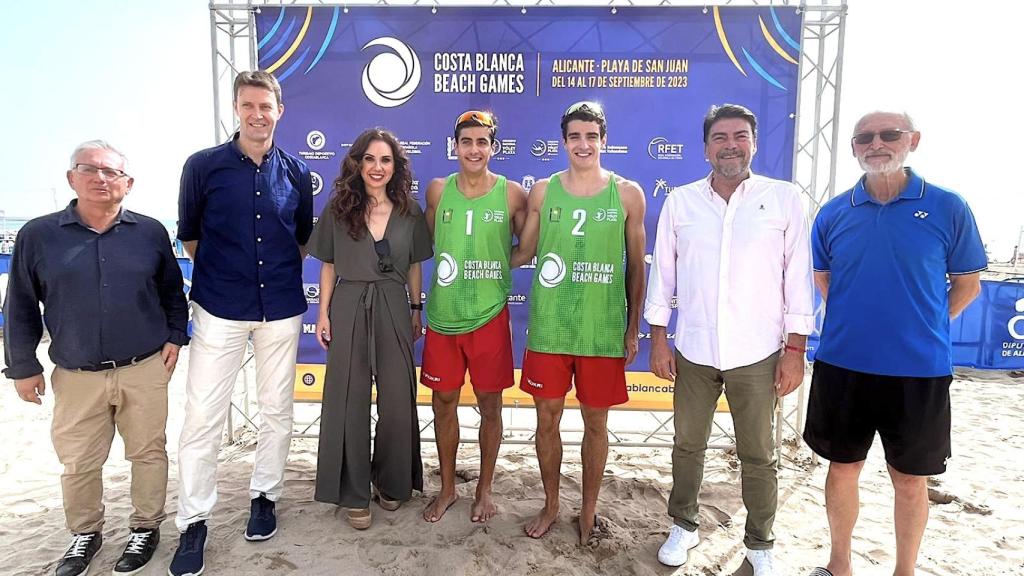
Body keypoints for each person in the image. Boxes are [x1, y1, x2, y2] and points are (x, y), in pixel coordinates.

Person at [804, 111, 986, 576]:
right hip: (843, 365)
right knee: (842, 469)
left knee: (909, 480)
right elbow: (825, 279)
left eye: (889, 134)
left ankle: (904, 570)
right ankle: (839, 564)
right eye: (864, 137)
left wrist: (921, 324)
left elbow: (966, 285)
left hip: (918, 370)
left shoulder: (948, 206)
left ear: (913, 141)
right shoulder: (833, 212)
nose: (876, 143)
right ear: (853, 147)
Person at [3, 140, 188, 576]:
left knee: (148, 452)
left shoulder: (150, 233)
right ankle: (85, 533)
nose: (101, 179)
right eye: (90, 170)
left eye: (112, 173)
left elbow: (171, 291)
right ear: (73, 178)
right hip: (75, 372)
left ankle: (146, 526)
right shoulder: (38, 235)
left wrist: (176, 336)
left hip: (144, 367)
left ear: (128, 183)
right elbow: (21, 304)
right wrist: (23, 366)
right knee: (79, 461)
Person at [645, 104, 814, 575]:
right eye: (720, 138)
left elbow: (797, 279)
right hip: (693, 349)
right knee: (687, 446)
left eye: (740, 136)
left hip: (759, 353)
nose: (730, 145)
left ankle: (760, 544)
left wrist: (795, 351)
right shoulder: (681, 202)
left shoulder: (784, 199)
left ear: (754, 143)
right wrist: (658, 338)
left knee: (759, 454)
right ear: (705, 149)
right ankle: (683, 525)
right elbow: (664, 275)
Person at [170, 70, 313, 576]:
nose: (257, 115)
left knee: (277, 410)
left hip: (280, 306)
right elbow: (190, 236)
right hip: (219, 307)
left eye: (266, 106)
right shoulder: (202, 166)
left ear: (280, 110)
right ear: (236, 109)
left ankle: (265, 497)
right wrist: (227, 276)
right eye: (248, 105)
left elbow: (299, 239)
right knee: (202, 418)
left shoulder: (295, 172)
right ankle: (193, 521)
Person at [511, 101, 646, 545]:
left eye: (591, 136)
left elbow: (636, 269)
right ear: (564, 141)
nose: (583, 144)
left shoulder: (627, 194)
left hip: (601, 330)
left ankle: (588, 510)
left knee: (595, 425)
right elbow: (525, 253)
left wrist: (631, 328)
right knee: (546, 421)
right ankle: (551, 504)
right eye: (575, 136)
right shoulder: (544, 193)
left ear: (603, 140)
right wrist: (476, 260)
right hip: (551, 328)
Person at [309, 127, 432, 530]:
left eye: (386, 160)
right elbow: (327, 264)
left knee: (397, 399)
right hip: (348, 303)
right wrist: (323, 313)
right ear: (357, 163)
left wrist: (416, 308)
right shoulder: (339, 208)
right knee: (349, 399)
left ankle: (391, 481)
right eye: (370, 159)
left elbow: (414, 264)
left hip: (395, 304)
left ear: (395, 166)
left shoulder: (410, 211)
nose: (377, 167)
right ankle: (354, 492)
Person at [420, 110, 527, 523]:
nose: (474, 149)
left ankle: (484, 489)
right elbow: (426, 243)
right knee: (442, 403)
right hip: (444, 317)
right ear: (455, 146)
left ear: (493, 147)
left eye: (483, 142)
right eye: (467, 142)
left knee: (490, 406)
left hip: (489, 317)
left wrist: (500, 264)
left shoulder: (512, 193)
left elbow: (527, 247)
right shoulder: (436, 191)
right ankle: (447, 488)